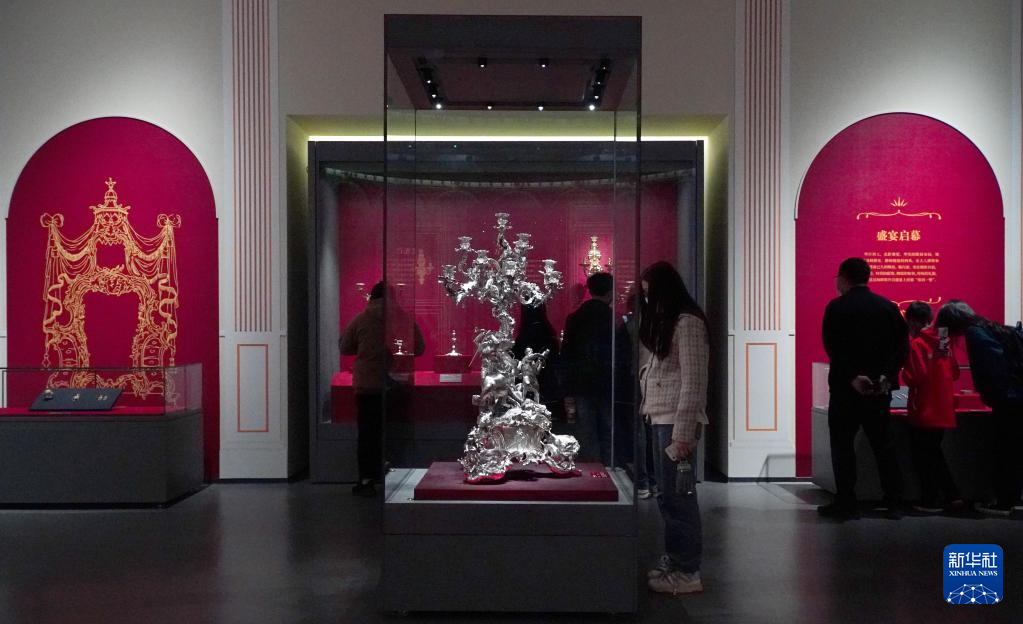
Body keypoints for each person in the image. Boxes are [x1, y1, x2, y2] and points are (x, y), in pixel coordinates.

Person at [819, 257, 909, 519]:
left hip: (845, 391)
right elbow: (901, 347)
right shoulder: (887, 307)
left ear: (843, 278)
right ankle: (893, 502)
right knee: (884, 446)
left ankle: (846, 502)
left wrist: (852, 377)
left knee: (843, 447)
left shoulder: (836, 307)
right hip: (879, 391)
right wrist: (886, 375)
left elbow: (833, 347)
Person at [639, 261, 709, 595]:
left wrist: (682, 433)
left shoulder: (688, 323)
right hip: (660, 418)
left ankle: (687, 570)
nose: (647, 299)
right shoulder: (671, 323)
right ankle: (677, 560)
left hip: (674, 422)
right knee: (668, 498)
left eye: (649, 292)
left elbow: (694, 381)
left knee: (679, 500)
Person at [935, 300, 1023, 517]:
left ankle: (1005, 501)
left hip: (1007, 401)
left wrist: (992, 394)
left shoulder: (974, 334)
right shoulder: (990, 327)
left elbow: (991, 367)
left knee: (1005, 451)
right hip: (1015, 398)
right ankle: (1010, 498)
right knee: (1011, 450)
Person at [340, 281, 424, 497]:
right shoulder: (402, 318)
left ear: (371, 297)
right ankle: (395, 473)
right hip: (395, 383)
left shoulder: (361, 318)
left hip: (367, 384)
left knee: (367, 433)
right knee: (393, 431)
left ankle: (367, 479)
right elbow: (419, 347)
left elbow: (345, 347)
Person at [901, 301, 962, 513]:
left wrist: (903, 371)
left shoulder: (917, 344)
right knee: (934, 454)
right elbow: (955, 372)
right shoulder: (944, 340)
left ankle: (932, 499)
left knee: (925, 457)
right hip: (943, 407)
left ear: (912, 321)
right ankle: (951, 495)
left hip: (924, 407)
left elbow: (914, 377)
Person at [561, 272, 615, 465]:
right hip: (608, 381)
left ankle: (594, 469)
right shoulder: (612, 318)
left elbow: (566, 354)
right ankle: (609, 468)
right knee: (608, 429)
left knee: (587, 430)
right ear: (610, 292)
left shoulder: (575, 317)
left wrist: (567, 388)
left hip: (582, 383)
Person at [512, 303, 561, 411]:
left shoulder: (523, 334)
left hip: (530, 380)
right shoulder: (548, 333)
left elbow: (516, 357)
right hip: (548, 385)